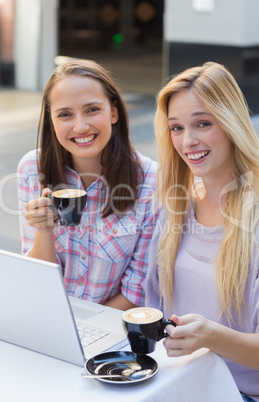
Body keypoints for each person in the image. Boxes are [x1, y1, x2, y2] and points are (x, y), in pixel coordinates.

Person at [145, 61, 259, 401]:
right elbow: (154, 312)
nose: (188, 141)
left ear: (231, 123)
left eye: (203, 123)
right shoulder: (174, 209)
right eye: (176, 128)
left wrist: (212, 336)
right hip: (176, 383)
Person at [17, 59, 159, 311]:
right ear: (51, 120)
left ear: (113, 112)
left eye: (92, 109)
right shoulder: (32, 168)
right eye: (65, 114)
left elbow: (138, 291)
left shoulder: (150, 180)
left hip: (111, 329)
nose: (80, 126)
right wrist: (44, 230)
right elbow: (37, 281)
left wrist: (83, 329)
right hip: (47, 315)